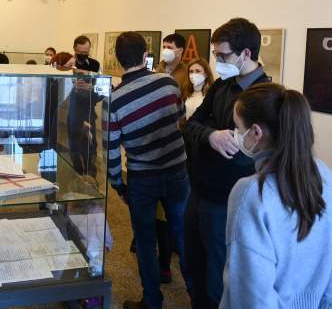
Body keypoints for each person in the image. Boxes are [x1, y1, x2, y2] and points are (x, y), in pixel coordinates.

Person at [220, 83, 332, 308]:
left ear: (256, 133)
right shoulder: (329, 180)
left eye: (238, 128)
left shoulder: (251, 194)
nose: (236, 135)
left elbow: (251, 294)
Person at [183, 18, 270, 309]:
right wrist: (211, 136)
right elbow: (190, 125)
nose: (217, 62)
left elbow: (252, 153)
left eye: (223, 56)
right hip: (199, 190)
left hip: (229, 200)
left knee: (217, 278)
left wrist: (210, 136)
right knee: (193, 264)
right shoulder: (221, 86)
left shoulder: (266, 96)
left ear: (246, 53)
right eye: (215, 55)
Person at [106, 32, 190, 309]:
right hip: (177, 170)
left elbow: (111, 150)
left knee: (144, 241)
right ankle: (199, 296)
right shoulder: (168, 83)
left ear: (119, 60)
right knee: (183, 235)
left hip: (142, 178)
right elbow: (181, 121)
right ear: (145, 55)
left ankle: (152, 300)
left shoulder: (115, 99)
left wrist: (118, 185)